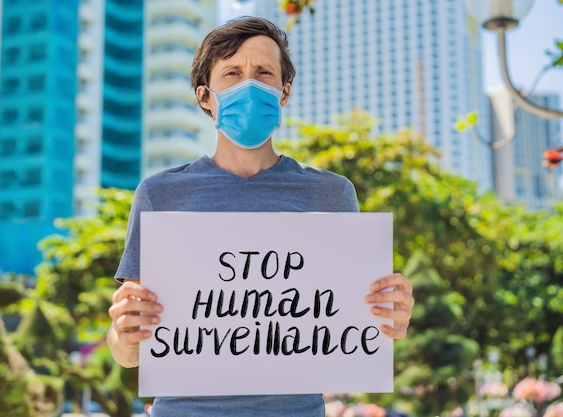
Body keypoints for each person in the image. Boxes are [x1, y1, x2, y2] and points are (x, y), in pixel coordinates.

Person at [108, 16, 414, 417]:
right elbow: (130, 354)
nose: (248, 85)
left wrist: (392, 318)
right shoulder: (159, 194)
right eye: (232, 73)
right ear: (205, 96)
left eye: (264, 72)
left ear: (283, 92)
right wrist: (123, 331)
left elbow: (356, 330)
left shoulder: (332, 194)